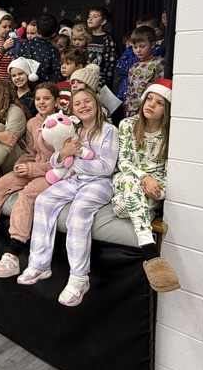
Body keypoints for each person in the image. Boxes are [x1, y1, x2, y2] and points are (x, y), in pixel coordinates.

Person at [17, 86, 119, 307]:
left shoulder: (109, 130)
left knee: (79, 211)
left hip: (100, 183)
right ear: (72, 109)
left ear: (96, 103)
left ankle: (79, 278)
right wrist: (64, 154)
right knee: (44, 200)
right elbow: (57, 160)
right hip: (74, 179)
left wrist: (75, 161)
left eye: (87, 101)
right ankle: (39, 264)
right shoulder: (74, 129)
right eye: (77, 103)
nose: (83, 106)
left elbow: (106, 167)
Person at [0, 83, 60, 276]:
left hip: (53, 173)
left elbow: (63, 161)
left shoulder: (64, 122)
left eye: (46, 98)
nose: (41, 102)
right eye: (38, 99)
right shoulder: (32, 123)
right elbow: (31, 152)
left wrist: (33, 168)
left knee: (26, 195)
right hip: (32, 166)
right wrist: (22, 164)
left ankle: (13, 255)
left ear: (56, 101)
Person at [111, 79, 179, 292]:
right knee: (131, 182)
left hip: (145, 194)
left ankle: (147, 239)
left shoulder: (172, 134)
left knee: (125, 206)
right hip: (127, 180)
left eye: (159, 102)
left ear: (167, 110)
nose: (150, 104)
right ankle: (149, 251)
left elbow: (169, 173)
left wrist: (157, 189)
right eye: (149, 98)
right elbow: (124, 162)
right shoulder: (128, 125)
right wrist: (144, 178)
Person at [122, 25, 165, 116]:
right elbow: (129, 88)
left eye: (142, 46)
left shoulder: (158, 63)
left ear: (152, 45)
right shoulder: (133, 66)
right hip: (132, 109)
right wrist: (127, 106)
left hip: (149, 107)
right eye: (135, 47)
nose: (138, 50)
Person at [17, 14, 62, 83]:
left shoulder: (24, 45)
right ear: (54, 34)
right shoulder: (53, 51)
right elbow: (57, 75)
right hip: (45, 89)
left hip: (24, 85)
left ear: (36, 28)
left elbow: (16, 65)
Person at [86, 6, 117, 89]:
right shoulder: (86, 37)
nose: (90, 19)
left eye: (95, 16)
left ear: (103, 21)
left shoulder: (107, 39)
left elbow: (109, 65)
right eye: (89, 16)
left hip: (99, 83)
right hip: (84, 78)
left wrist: (101, 83)